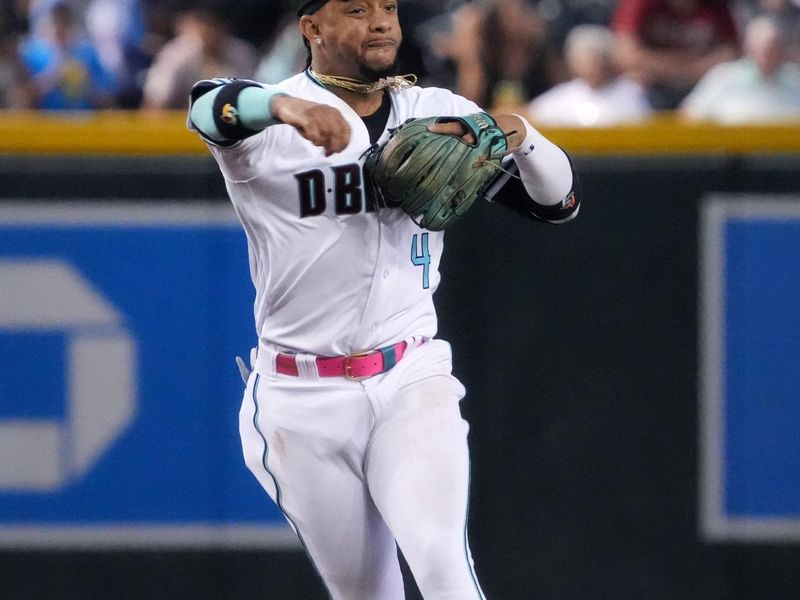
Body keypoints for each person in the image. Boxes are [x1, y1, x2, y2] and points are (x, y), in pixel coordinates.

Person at [187, 1, 579, 598]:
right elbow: (204, 107)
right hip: (301, 397)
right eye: (357, 8)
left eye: (389, 7)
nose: (381, 21)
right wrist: (281, 106)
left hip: (410, 375)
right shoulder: (268, 122)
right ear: (312, 27)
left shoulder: (438, 112)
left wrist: (519, 135)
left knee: (443, 564)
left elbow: (555, 203)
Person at [612, 0, 740, 109]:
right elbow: (628, 56)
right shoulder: (641, 3)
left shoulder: (717, 5)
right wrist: (691, 67)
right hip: (652, 86)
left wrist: (680, 69)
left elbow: (731, 55)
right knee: (630, 85)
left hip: (703, 87)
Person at [681, 15, 800, 123]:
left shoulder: (796, 79)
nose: (770, 56)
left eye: (775, 49)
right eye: (764, 50)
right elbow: (689, 115)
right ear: (748, 48)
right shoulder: (723, 77)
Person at [528, 24, 652, 126]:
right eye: (585, 58)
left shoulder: (630, 93)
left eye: (597, 57)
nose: (592, 65)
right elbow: (533, 115)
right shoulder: (564, 95)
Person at [143, 3, 258, 109]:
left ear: (225, 27)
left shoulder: (241, 54)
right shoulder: (178, 53)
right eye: (204, 25)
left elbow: (253, 99)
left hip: (230, 123)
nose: (209, 31)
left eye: (215, 25)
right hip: (182, 124)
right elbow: (154, 101)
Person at [19, 1, 117, 110]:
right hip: (45, 122)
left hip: (84, 121)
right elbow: (22, 97)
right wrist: (51, 77)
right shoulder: (32, 52)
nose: (60, 25)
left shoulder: (87, 51)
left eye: (64, 19)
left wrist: (86, 84)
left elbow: (107, 96)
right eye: (55, 19)